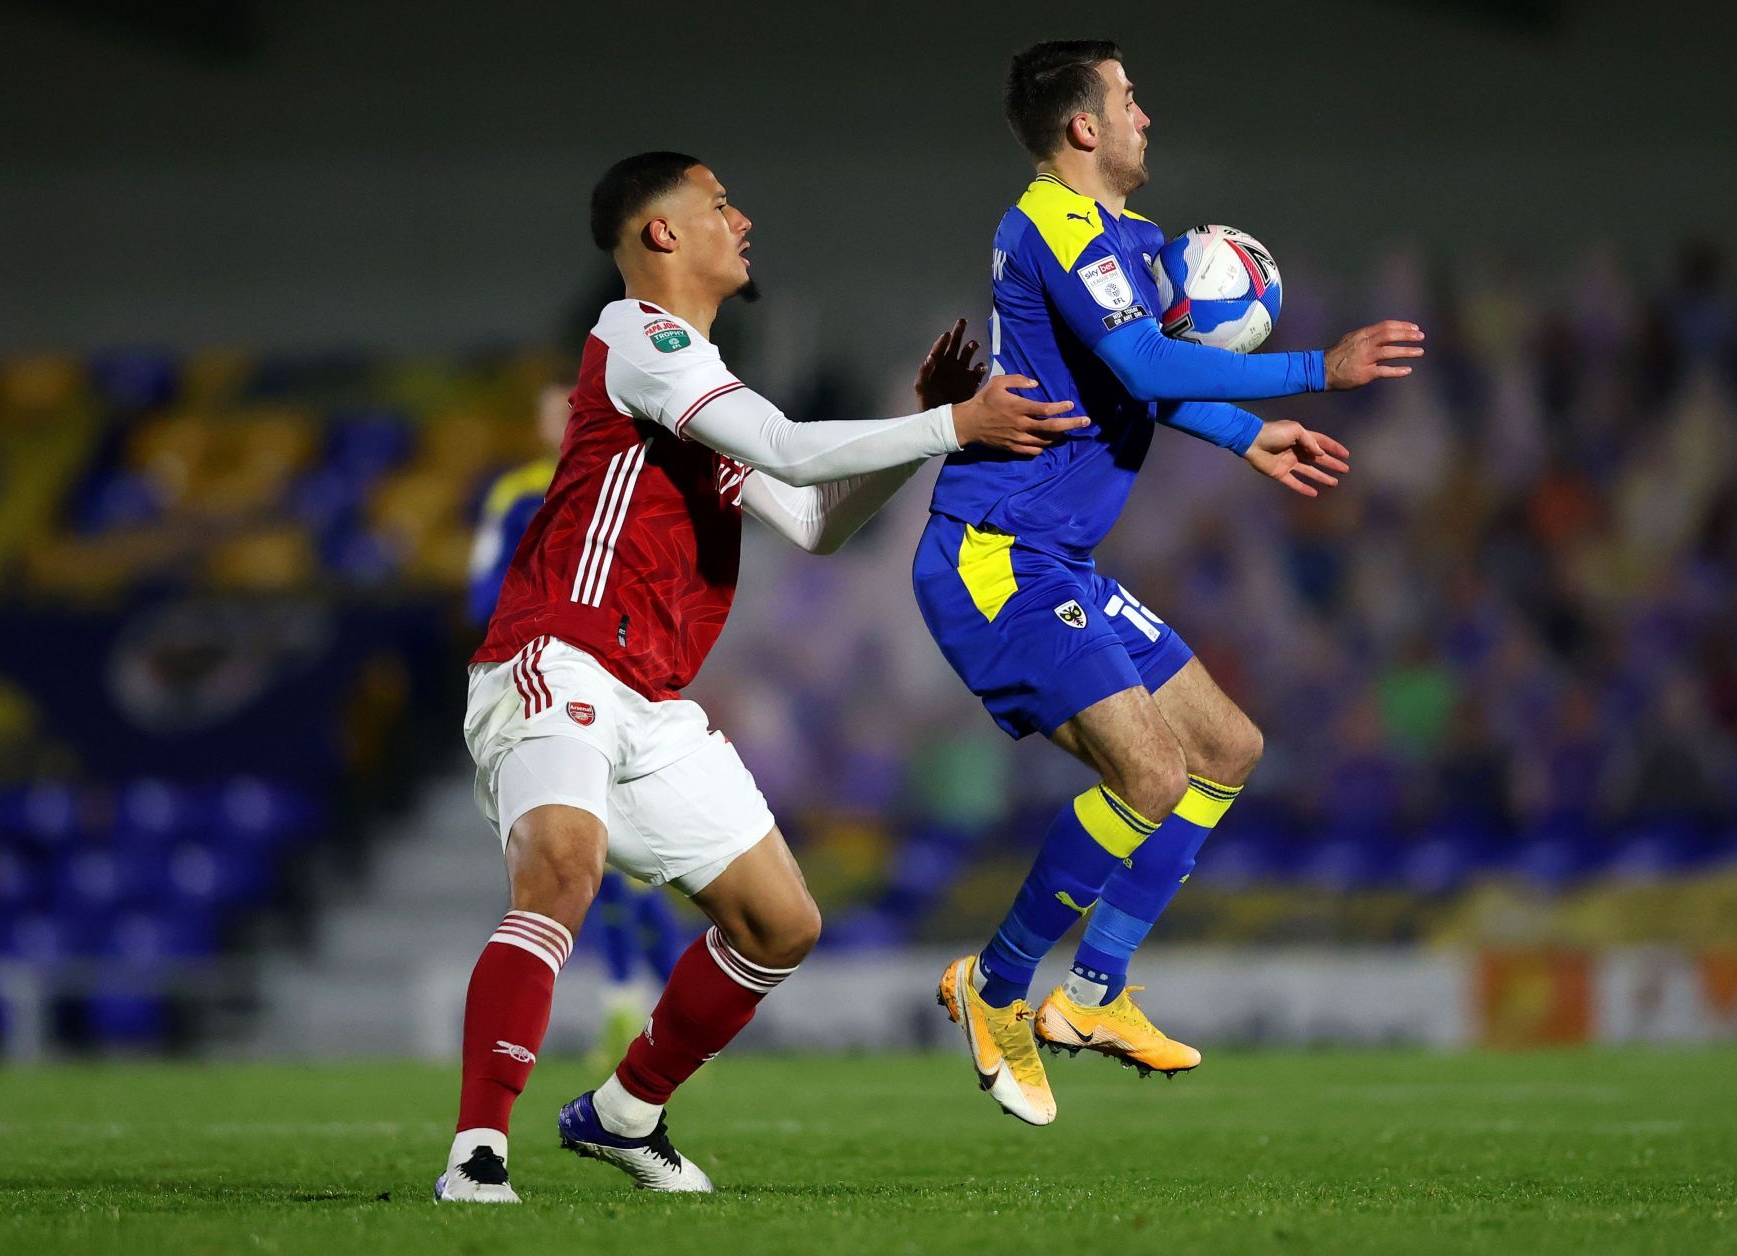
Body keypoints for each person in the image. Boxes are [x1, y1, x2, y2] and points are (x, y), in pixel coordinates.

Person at [437, 150, 1084, 1201]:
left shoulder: (699, 386)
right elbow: (786, 445)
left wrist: (911, 441)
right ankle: (477, 1153)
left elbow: (819, 520)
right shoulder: (638, 339)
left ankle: (624, 1111)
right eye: (720, 204)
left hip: (649, 697)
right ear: (661, 236)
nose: (744, 218)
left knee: (782, 923)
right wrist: (956, 423)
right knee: (560, 870)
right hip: (557, 656)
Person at [917, 41, 1423, 1125]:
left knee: (1227, 746)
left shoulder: (1132, 243)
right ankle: (996, 989)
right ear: (1084, 127)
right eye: (1129, 97)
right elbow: (1145, 368)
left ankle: (1093, 992)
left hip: (1059, 560)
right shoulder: (1050, 220)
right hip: (994, 553)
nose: (1147, 112)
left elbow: (1135, 378)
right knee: (1148, 771)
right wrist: (1314, 370)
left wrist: (1247, 435)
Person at [466, 380, 686, 1072]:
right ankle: (643, 1007)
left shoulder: (628, 482)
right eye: (549, 412)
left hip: (628, 682)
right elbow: (480, 592)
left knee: (627, 866)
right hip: (551, 682)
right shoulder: (516, 496)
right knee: (608, 864)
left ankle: (650, 1008)